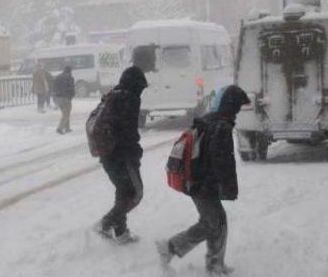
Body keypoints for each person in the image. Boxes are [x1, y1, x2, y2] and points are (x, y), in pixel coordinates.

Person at [156, 85, 251, 275]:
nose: (238, 111)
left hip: (197, 181)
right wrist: (229, 187)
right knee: (213, 222)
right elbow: (221, 160)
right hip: (203, 184)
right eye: (238, 106)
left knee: (216, 221)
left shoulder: (209, 120)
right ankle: (171, 247)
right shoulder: (221, 126)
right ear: (231, 106)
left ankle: (214, 264)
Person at [94, 66, 148, 244]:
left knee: (123, 190)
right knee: (135, 193)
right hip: (121, 155)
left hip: (107, 153)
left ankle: (121, 232)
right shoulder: (129, 98)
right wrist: (135, 152)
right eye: (141, 87)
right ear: (136, 85)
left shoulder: (113, 94)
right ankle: (106, 223)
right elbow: (128, 132)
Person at [53, 65, 75, 134]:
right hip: (66, 97)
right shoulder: (70, 78)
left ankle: (67, 128)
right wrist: (72, 95)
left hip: (59, 98)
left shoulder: (58, 77)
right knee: (66, 114)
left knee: (65, 113)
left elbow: (54, 87)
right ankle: (60, 128)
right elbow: (71, 88)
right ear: (70, 71)